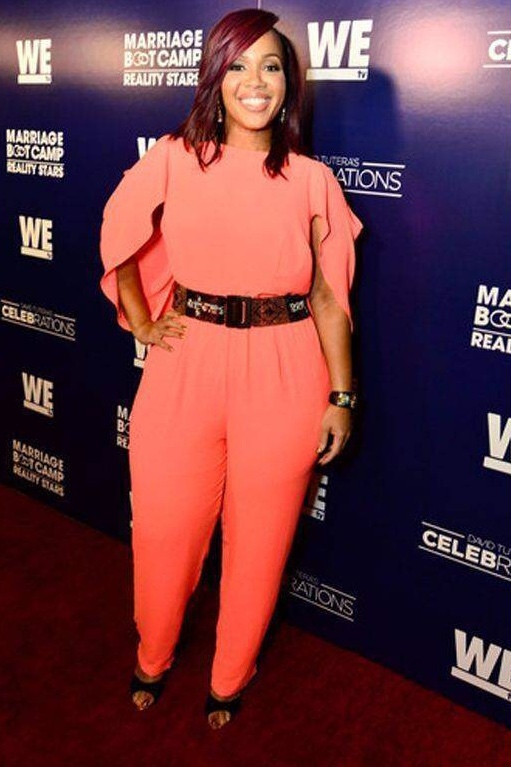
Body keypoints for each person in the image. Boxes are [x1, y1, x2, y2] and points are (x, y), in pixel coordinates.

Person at [99, 7, 362, 729]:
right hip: (187, 360)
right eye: (239, 65)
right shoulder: (174, 158)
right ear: (215, 77)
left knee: (261, 542)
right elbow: (119, 234)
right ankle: (153, 654)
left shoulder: (312, 180)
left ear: (289, 83)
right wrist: (143, 321)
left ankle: (229, 676)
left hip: (286, 368)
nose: (256, 81)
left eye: (271, 66)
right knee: (164, 531)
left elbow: (329, 299)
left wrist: (341, 394)